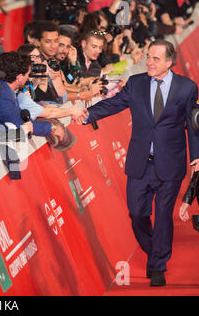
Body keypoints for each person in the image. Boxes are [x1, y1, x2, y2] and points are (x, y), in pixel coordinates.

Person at [82, 40, 199, 287]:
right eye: (148, 57)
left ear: (169, 62)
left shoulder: (187, 88)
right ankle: (154, 249)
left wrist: (196, 156)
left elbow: (193, 125)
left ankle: (157, 266)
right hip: (140, 163)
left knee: (164, 215)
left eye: (156, 58)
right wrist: (88, 114)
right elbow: (114, 104)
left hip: (170, 163)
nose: (149, 62)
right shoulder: (136, 83)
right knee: (136, 214)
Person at [0, 51, 52, 137]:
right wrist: (51, 128)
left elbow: (25, 121)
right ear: (19, 77)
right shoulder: (2, 96)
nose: (28, 77)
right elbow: (19, 126)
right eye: (27, 74)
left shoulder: (4, 89)